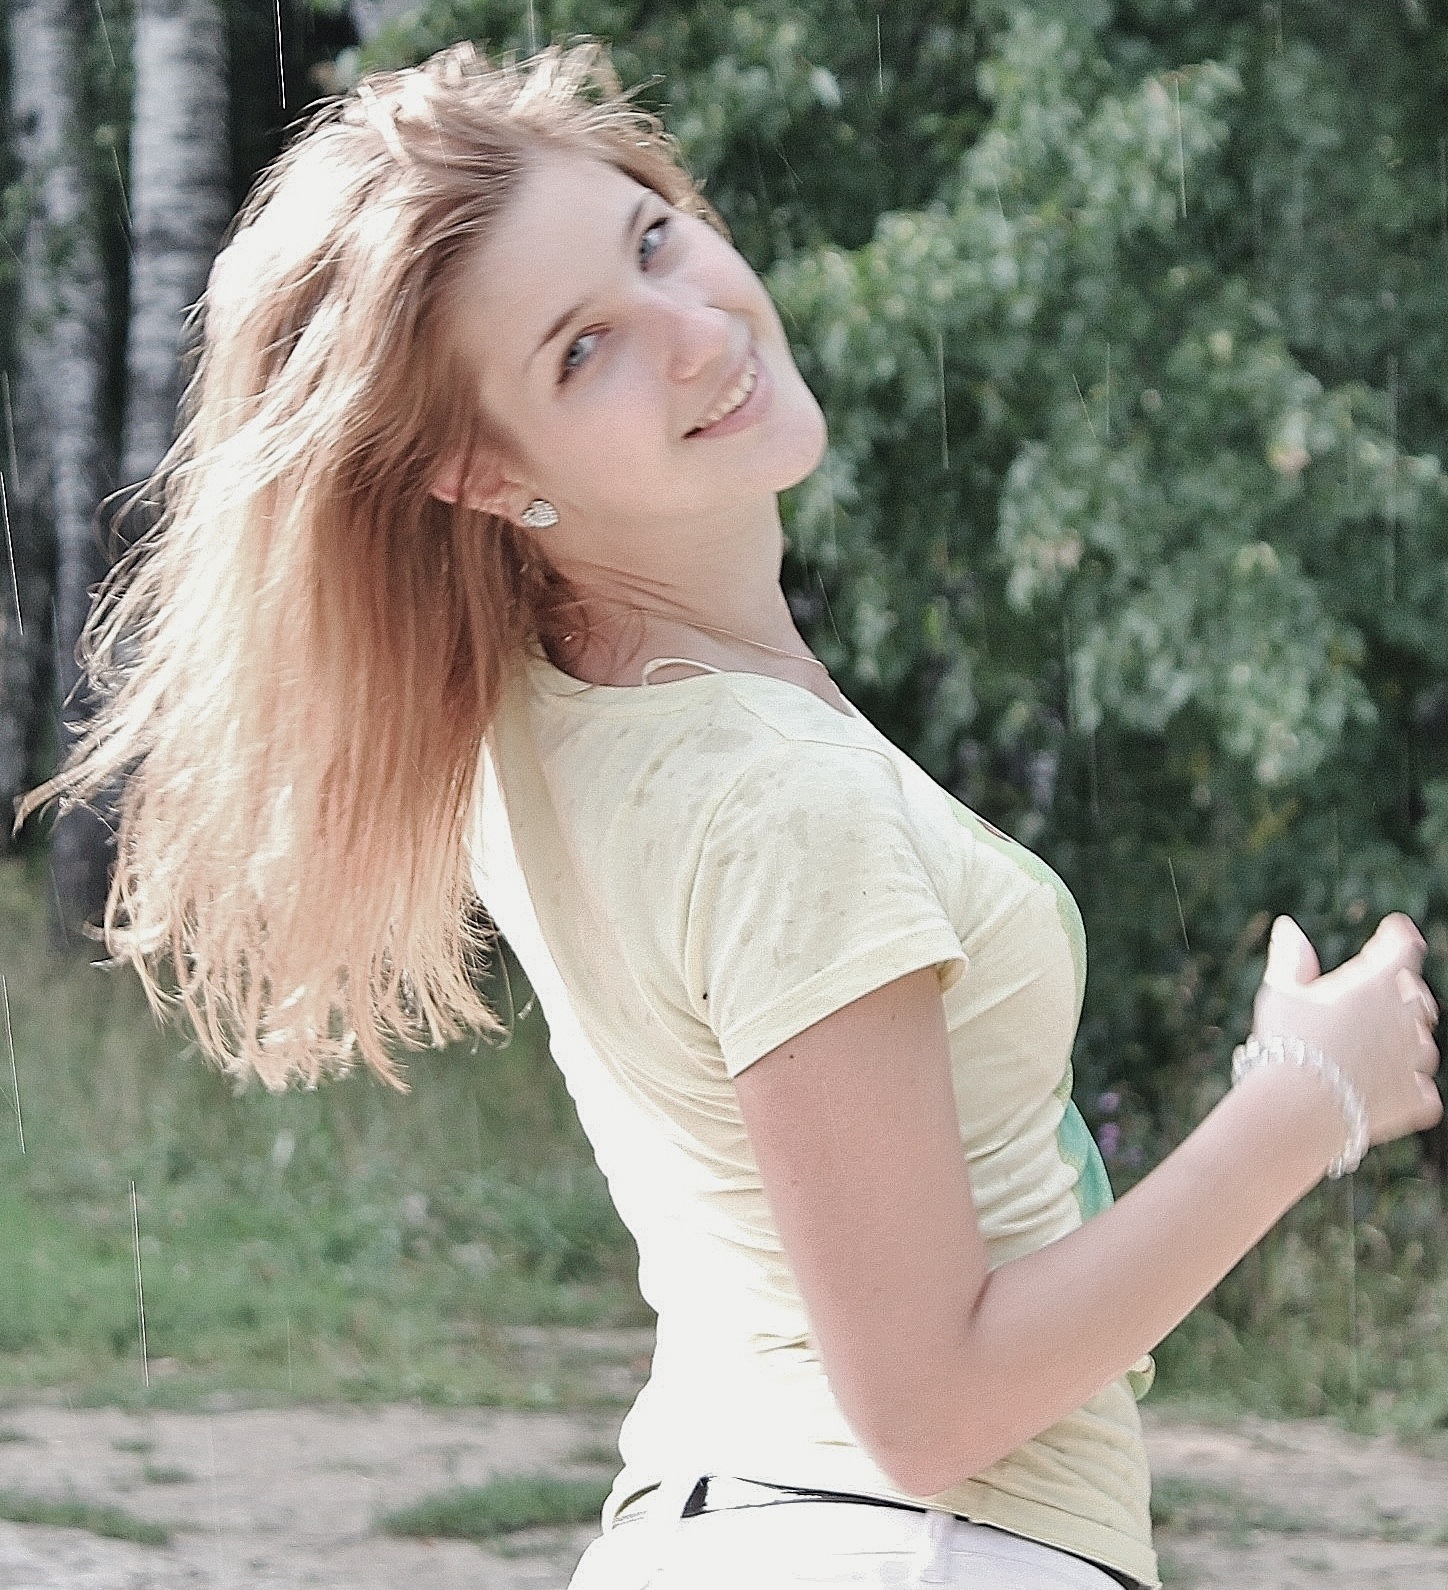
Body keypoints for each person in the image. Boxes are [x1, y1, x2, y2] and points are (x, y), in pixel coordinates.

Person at [23, 41, 1441, 1590]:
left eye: (654, 239)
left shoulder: (555, 716)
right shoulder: (773, 795)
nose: (699, 333)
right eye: (583, 351)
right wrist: (1305, 1101)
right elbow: (932, 1407)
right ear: (480, 472)